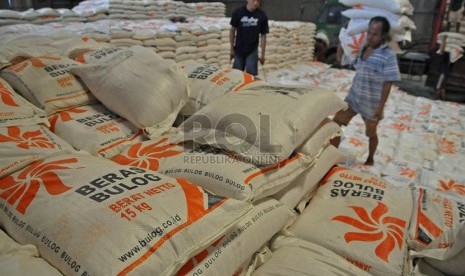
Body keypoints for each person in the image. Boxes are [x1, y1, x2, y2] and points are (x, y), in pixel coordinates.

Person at [331, 16, 401, 166]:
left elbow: (388, 84)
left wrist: (380, 108)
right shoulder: (362, 48)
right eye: (369, 32)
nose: (370, 36)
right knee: (336, 123)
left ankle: (370, 158)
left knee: (371, 133)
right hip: (354, 98)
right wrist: (342, 40)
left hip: (371, 104)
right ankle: (331, 153)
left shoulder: (388, 55)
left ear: (383, 36)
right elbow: (342, 61)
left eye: (375, 34)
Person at [230, 0, 269, 76]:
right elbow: (232, 31)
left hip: (252, 51)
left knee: (251, 76)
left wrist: (262, 55)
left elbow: (263, 36)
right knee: (236, 76)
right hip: (238, 50)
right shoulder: (238, 13)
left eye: (258, 1)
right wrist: (231, 49)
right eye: (253, 0)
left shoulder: (262, 15)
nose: (256, 3)